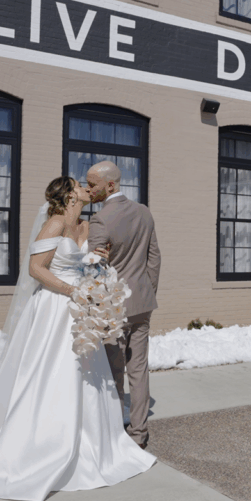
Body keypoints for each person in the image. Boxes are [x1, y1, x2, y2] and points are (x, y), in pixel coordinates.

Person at [0, 176, 155, 501]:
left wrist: (98, 264)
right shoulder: (55, 224)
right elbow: (36, 269)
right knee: (51, 371)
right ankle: (44, 441)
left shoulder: (86, 228)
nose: (86, 187)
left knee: (86, 373)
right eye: (78, 183)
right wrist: (73, 291)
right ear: (68, 194)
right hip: (54, 308)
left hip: (80, 311)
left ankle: (92, 439)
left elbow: (88, 267)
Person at [85, 161, 160, 449]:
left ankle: (116, 432)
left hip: (114, 309)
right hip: (142, 303)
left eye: (92, 184)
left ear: (111, 185)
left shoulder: (100, 219)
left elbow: (94, 270)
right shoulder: (144, 212)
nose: (88, 189)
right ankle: (139, 434)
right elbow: (154, 259)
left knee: (115, 373)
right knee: (139, 370)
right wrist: (147, 292)